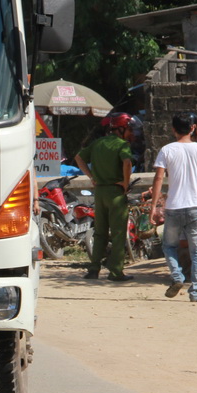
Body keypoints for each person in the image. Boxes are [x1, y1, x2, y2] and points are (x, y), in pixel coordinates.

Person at [150, 112, 197, 302]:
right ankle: (196, 292)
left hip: (174, 207)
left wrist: (154, 206)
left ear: (173, 130)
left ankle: (178, 276)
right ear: (192, 128)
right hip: (196, 206)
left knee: (169, 246)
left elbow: (158, 178)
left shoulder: (167, 150)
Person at [74, 112, 134, 282]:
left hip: (99, 192)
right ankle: (116, 272)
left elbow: (78, 157)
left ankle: (93, 269)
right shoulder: (123, 145)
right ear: (121, 128)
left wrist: (91, 176)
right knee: (118, 233)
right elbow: (127, 163)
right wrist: (125, 182)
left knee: (100, 233)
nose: (130, 132)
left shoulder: (98, 143)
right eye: (128, 128)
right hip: (115, 192)